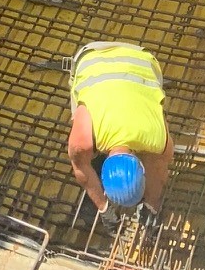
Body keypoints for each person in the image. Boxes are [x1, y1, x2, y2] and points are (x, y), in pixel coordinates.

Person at [66, 39, 172, 214]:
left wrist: (152, 206)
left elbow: (159, 172)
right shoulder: (84, 140)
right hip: (109, 58)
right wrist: (103, 207)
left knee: (155, 157)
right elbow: (81, 168)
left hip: (138, 59)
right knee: (81, 111)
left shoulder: (159, 141)